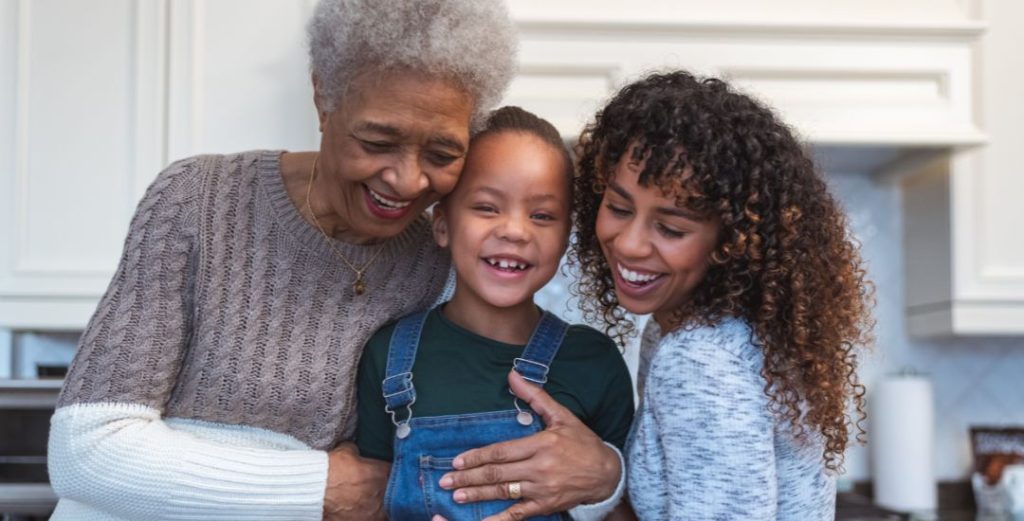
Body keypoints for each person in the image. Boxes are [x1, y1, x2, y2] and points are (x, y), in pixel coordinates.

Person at [46, 2, 624, 520]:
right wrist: (323, 485)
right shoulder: (197, 202)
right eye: (377, 142)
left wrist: (603, 474)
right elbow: (87, 450)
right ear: (323, 97)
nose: (406, 179)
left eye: (442, 153)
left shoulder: (438, 257)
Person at [571, 71, 875, 520]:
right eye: (618, 207)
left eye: (671, 228)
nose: (630, 243)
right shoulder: (711, 332)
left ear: (731, 241)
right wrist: (600, 484)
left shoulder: (699, 358)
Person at [355, 107, 635, 521]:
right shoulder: (388, 354)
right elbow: (364, 503)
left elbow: (627, 511)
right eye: (487, 207)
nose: (515, 231)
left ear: (566, 237)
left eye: (541, 215)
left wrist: (605, 480)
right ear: (442, 224)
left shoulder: (594, 361)